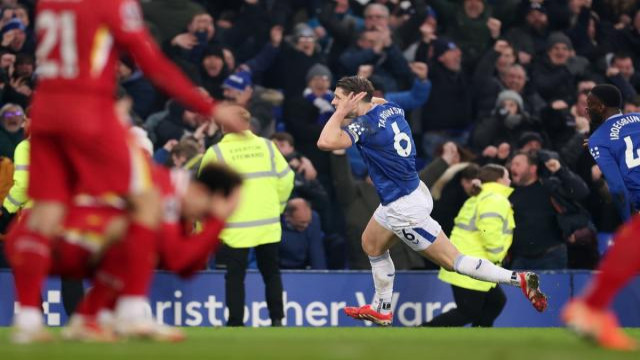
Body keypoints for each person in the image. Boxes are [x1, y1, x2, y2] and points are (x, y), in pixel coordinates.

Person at [8, 0, 238, 342]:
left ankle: (27, 319)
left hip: (46, 110)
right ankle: (131, 312)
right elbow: (152, 62)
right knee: (146, 200)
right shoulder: (111, 3)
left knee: (45, 212)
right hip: (89, 112)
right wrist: (210, 106)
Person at [317, 76, 547, 326]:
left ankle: (519, 279)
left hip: (403, 207)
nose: (333, 101)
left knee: (453, 261)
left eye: (338, 97)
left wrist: (341, 112)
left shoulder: (366, 126)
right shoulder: (390, 108)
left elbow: (326, 141)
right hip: (411, 191)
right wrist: (355, 101)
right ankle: (382, 308)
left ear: (356, 97)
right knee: (371, 244)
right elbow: (377, 99)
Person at [7, 161, 242, 343]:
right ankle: (128, 314)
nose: (202, 220)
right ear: (200, 191)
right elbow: (177, 259)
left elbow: (186, 268)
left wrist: (217, 223)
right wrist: (217, 223)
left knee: (136, 243)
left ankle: (89, 319)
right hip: (40, 239)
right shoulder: (164, 189)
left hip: (75, 243)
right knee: (140, 238)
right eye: (205, 214)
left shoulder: (176, 200)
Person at [562, 84, 640, 350]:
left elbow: (617, 188)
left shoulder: (599, 138)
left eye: (589, 103)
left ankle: (588, 309)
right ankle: (589, 309)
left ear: (600, 107)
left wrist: (628, 221)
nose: (586, 108)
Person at [199, 108, 294, 327]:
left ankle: (235, 322)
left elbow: (203, 193)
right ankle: (277, 320)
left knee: (234, 276)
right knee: (271, 273)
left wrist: (204, 225)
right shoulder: (268, 147)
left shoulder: (217, 152)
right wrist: (277, 207)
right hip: (267, 223)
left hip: (234, 227)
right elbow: (287, 178)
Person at [423, 164, 513, 327]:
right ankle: (422, 331)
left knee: (495, 302)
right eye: (507, 177)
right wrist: (497, 255)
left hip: (464, 259)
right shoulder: (495, 198)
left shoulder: (479, 197)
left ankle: (479, 338)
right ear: (499, 180)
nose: (510, 180)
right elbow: (488, 229)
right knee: (468, 311)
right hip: (474, 264)